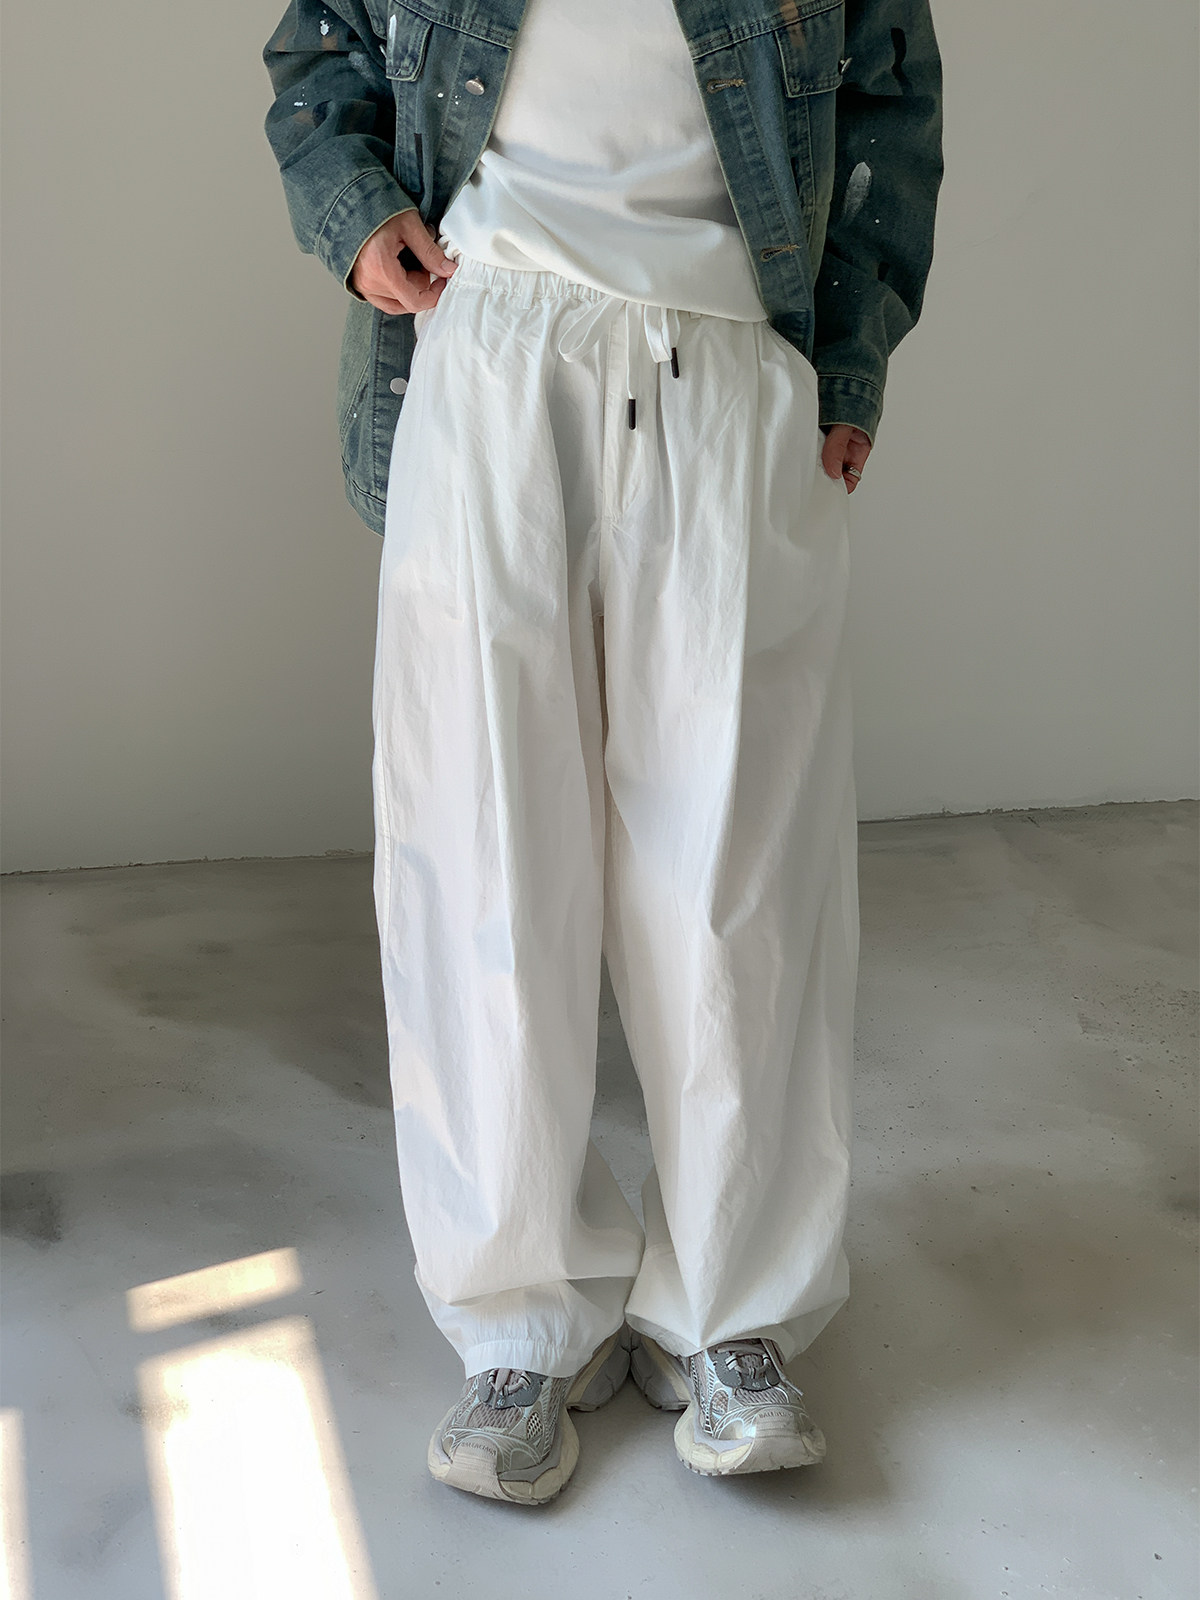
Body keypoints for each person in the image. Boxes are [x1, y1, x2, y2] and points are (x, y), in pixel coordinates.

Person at [263, 0, 942, 1504]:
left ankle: (733, 1315)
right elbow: (320, 45)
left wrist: (851, 358)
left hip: (733, 362)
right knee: (483, 851)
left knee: (737, 871)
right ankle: (520, 1317)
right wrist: (357, 214)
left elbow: (893, 93)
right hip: (487, 344)